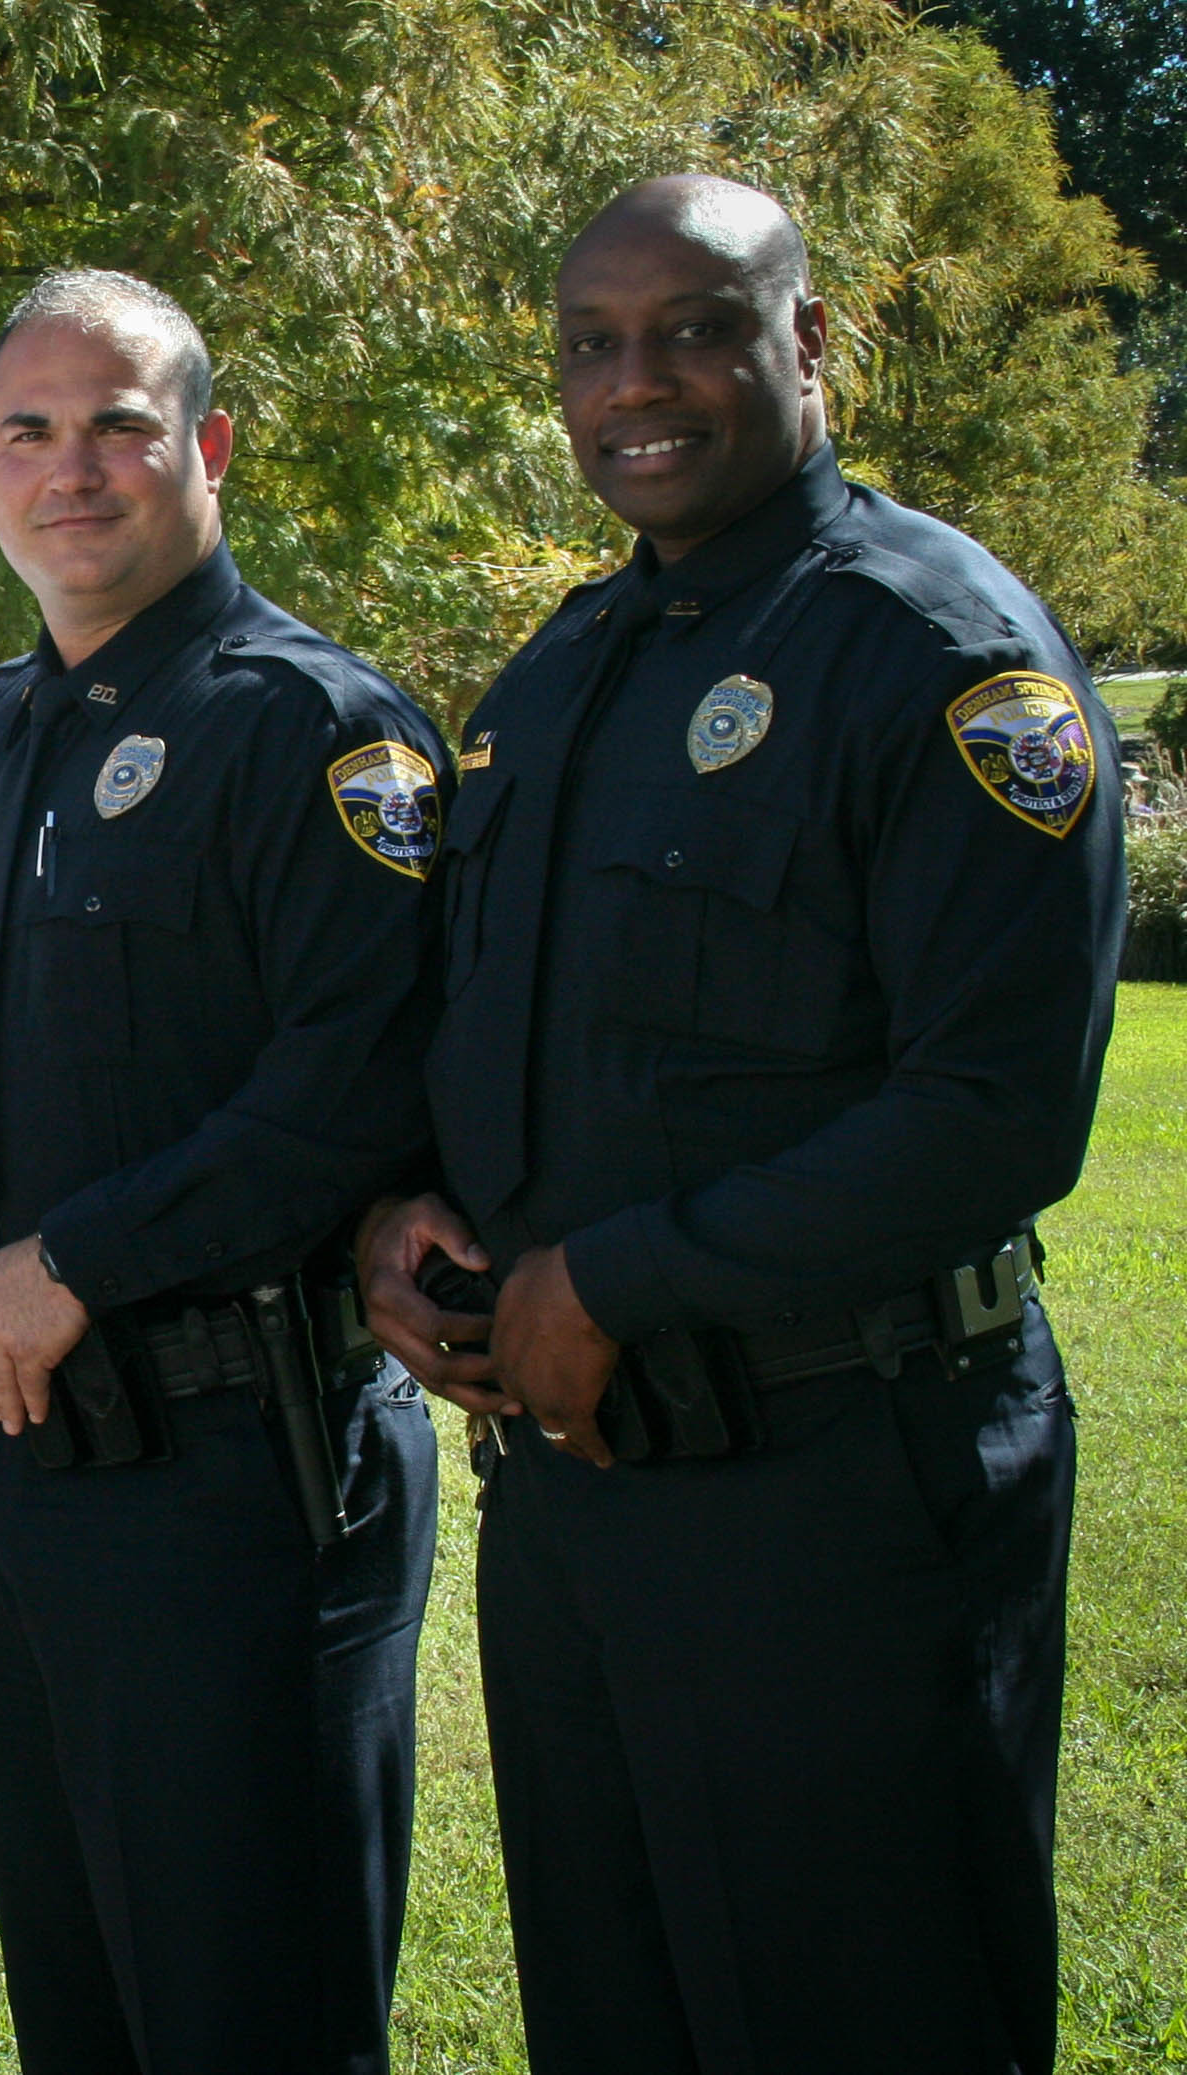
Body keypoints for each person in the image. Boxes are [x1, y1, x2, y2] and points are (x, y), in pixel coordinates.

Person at [355, 176, 1120, 2075]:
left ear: (810, 343)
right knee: (619, 2021)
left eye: (696, 329)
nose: (638, 381)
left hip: (841, 1492)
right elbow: (502, 1024)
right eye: (593, 344)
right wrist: (404, 1211)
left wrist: (618, 1276)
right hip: (585, 1502)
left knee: (865, 2017)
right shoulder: (563, 676)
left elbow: (994, 1115)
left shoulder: (937, 654)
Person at [0, 270, 445, 2073]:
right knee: (81, 2004)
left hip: (242, 1473)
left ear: (209, 448)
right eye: (27, 432)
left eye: (118, 427)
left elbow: (360, 1082)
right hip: (33, 1472)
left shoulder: (315, 728)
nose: (68, 469)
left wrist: (81, 1256)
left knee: (249, 2011)